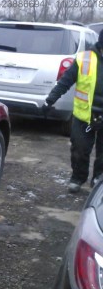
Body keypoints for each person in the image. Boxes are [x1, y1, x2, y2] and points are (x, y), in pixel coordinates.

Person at [44, 30, 103, 193]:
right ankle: (78, 177)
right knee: (79, 149)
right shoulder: (85, 58)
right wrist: (51, 99)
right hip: (85, 116)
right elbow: (66, 81)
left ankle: (99, 178)